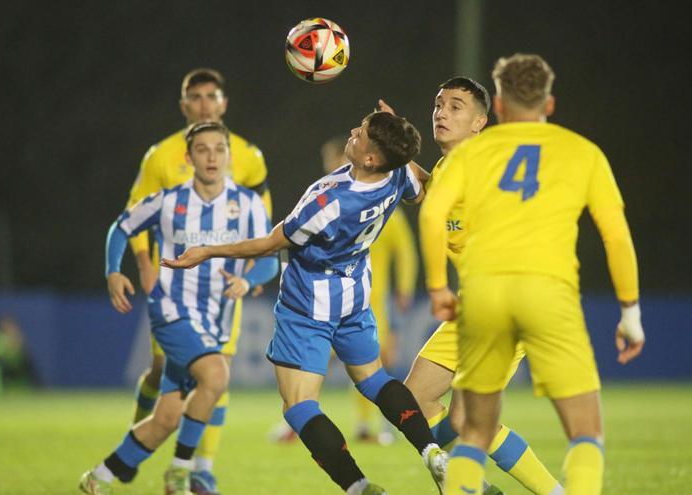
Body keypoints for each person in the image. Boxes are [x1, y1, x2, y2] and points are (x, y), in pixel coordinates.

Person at [164, 112, 448, 495]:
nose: (353, 131)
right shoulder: (399, 174)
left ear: (370, 159)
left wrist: (208, 251)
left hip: (309, 305)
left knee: (299, 405)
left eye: (361, 133)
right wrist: (397, 137)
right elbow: (427, 187)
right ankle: (431, 450)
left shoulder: (329, 203)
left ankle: (359, 486)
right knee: (376, 379)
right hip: (355, 296)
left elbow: (269, 244)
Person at [419, 54, 645, 495]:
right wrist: (631, 313)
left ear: (497, 109)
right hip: (549, 294)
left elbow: (432, 216)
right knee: (584, 433)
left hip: (484, 295)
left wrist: (436, 286)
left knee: (472, 431)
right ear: (551, 103)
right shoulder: (583, 153)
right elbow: (616, 237)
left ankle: (472, 487)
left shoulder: (476, 155)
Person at [80, 122, 278, 495]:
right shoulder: (168, 201)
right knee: (216, 377)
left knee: (167, 418)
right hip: (171, 310)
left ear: (230, 157)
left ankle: (99, 478)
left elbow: (270, 260)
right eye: (202, 150)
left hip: (215, 322)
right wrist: (113, 272)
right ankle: (181, 472)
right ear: (188, 158)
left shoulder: (248, 205)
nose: (212, 157)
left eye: (219, 149)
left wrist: (248, 281)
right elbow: (121, 227)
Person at [390, 77, 562, 494]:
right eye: (438, 104)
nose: (441, 113)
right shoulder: (452, 166)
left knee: (470, 421)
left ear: (479, 122)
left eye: (455, 107)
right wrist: (398, 147)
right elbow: (431, 192)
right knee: (412, 399)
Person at [126, 68, 271, 494]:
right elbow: (134, 216)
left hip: (224, 284)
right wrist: (145, 268)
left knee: (217, 371)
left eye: (212, 96)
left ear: (224, 103)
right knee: (160, 372)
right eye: (196, 97)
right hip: (173, 287)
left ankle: (202, 468)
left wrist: (255, 269)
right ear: (184, 105)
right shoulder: (160, 156)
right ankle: (141, 430)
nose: (205, 104)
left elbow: (260, 221)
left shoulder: (248, 155)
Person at [326, 136, 418, 444]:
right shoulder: (327, 200)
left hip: (369, 298)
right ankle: (297, 419)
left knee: (374, 360)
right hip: (329, 296)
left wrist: (404, 287)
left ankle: (377, 423)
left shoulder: (381, 199)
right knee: (318, 360)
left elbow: (404, 249)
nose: (334, 168)